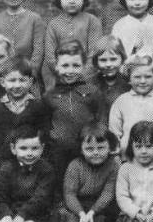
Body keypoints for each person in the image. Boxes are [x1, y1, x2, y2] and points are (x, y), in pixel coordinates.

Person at [44, 40, 107, 182]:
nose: (70, 70)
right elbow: (45, 123)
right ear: (57, 66)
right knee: (59, 180)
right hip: (59, 151)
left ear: (84, 66)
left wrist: (97, 139)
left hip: (86, 148)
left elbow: (102, 119)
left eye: (76, 65)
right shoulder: (50, 95)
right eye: (65, 65)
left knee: (85, 179)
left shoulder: (92, 91)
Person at [0, 58, 52, 178]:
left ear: (31, 82)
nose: (17, 85)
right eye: (11, 80)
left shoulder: (38, 106)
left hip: (31, 162)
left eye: (22, 80)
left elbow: (45, 137)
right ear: (2, 82)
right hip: (2, 163)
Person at [109, 54, 153, 159]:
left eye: (147, 77)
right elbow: (114, 133)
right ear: (129, 79)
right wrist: (115, 156)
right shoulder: (122, 101)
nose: (142, 81)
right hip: (128, 159)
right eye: (137, 77)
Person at [42, 0, 103, 92]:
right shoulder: (53, 24)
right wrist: (63, 73)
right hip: (60, 78)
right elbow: (50, 56)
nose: (72, 0)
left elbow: (95, 52)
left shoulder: (92, 21)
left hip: (86, 78)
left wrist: (81, 75)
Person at [90, 35, 131, 109]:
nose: (108, 64)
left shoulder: (129, 84)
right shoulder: (90, 84)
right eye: (103, 60)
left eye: (113, 59)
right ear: (96, 61)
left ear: (122, 59)